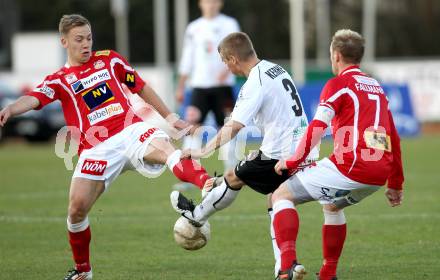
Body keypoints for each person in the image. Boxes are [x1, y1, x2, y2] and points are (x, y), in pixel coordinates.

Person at [0, 14, 213, 280]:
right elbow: (34, 98)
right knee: (76, 210)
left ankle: (207, 185)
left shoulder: (109, 59)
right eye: (79, 39)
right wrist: (11, 108)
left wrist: (170, 117)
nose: (86, 44)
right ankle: (82, 271)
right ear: (64, 41)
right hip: (96, 149)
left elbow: (141, 87)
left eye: (89, 38)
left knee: (167, 151)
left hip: (131, 130)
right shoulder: (60, 79)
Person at [170, 32, 318, 276]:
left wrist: (202, 150)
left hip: (281, 154)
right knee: (275, 198)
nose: (226, 67)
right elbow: (282, 116)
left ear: (232, 59)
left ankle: (195, 217)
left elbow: (234, 126)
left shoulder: (254, 83)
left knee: (233, 178)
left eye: (224, 62)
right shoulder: (275, 69)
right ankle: (286, 267)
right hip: (303, 149)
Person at [271, 29, 404, 280]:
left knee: (281, 195)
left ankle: (287, 266)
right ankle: (328, 274)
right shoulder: (376, 87)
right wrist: (395, 183)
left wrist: (293, 160)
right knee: (331, 206)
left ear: (336, 55)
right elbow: (393, 138)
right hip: (379, 172)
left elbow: (318, 126)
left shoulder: (338, 84)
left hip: (353, 165)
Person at [174, 0, 240, 190]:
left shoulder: (230, 24)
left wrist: (227, 71)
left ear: (220, 3)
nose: (210, 4)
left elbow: (238, 52)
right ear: (200, 4)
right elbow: (187, 58)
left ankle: (232, 172)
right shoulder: (194, 28)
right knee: (192, 128)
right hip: (199, 86)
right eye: (207, 1)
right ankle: (189, 175)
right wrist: (180, 86)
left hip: (223, 86)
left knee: (228, 127)